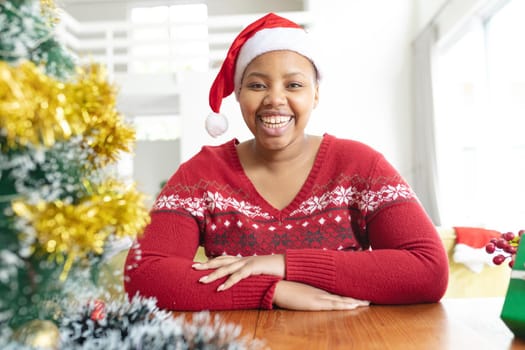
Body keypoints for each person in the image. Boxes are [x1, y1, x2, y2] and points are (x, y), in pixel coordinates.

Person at [124, 12, 449, 311]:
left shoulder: (360, 166)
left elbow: (428, 270)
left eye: (294, 85)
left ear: (316, 94)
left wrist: (282, 263)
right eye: (257, 85)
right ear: (238, 93)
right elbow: (143, 275)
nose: (275, 99)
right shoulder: (201, 176)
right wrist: (271, 290)